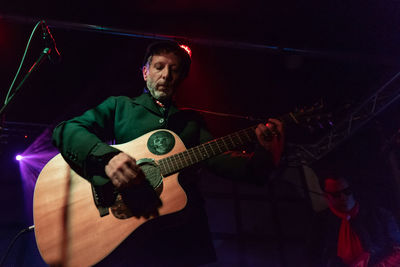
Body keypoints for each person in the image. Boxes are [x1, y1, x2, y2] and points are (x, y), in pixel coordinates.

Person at [51, 40, 284, 266]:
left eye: (174, 70)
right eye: (159, 67)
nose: (166, 75)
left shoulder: (191, 122)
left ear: (181, 78)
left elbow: (230, 165)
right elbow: (66, 130)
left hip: (179, 239)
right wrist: (107, 158)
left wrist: (265, 153)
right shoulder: (120, 106)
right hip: (128, 235)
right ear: (145, 72)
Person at [306, 176, 400, 267]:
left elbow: (397, 248)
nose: (343, 197)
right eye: (336, 195)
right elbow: (314, 259)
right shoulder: (320, 224)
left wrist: (370, 257)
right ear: (327, 197)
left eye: (347, 191)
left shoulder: (379, 214)